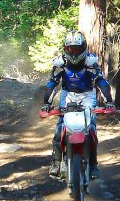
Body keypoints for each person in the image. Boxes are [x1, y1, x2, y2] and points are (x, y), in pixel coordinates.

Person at [42, 30, 112, 179]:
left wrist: (109, 102)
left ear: (84, 48)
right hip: (67, 95)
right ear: (65, 49)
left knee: (90, 126)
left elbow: (101, 82)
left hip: (87, 95)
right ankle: (55, 162)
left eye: (77, 49)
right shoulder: (60, 63)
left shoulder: (90, 62)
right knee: (61, 126)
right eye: (70, 49)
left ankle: (93, 164)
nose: (74, 53)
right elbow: (52, 84)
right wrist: (46, 104)